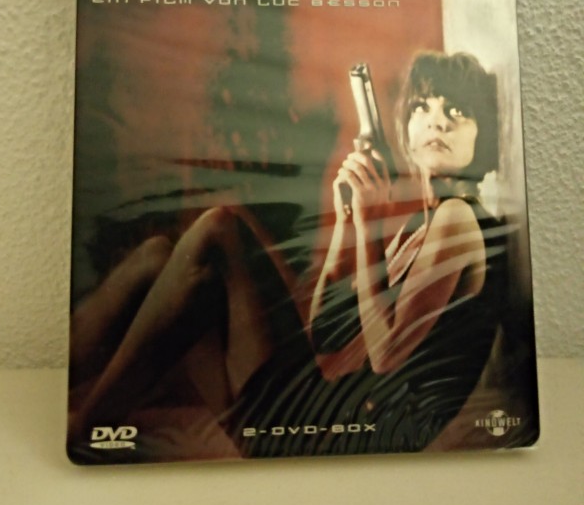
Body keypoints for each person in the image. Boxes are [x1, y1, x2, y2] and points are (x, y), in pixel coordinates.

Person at [68, 51, 504, 461]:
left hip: (342, 432)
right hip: (313, 412)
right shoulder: (418, 231)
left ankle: (86, 422)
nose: (437, 121)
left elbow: (387, 355)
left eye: (457, 111)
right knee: (158, 255)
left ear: (483, 134)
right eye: (422, 107)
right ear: (406, 129)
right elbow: (324, 334)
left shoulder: (458, 218)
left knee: (219, 228)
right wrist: (349, 218)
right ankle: (69, 395)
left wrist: (370, 221)